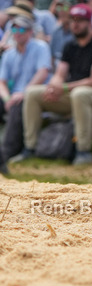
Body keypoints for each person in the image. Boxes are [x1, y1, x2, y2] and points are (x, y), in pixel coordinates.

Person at [12, 4, 92, 166]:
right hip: (75, 95)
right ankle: (30, 148)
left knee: (80, 93)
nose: (75, 24)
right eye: (73, 20)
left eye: (80, 20)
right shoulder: (70, 45)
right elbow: (59, 74)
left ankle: (83, 151)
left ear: (89, 23)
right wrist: (54, 87)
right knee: (33, 93)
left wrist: (64, 88)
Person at [0, 11, 52, 169]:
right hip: (13, 96)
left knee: (19, 103)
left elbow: (42, 73)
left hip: (36, 94)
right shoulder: (9, 53)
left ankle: (5, 153)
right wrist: (7, 98)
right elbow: (1, 82)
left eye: (21, 29)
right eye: (14, 30)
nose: (17, 33)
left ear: (30, 31)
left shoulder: (41, 47)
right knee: (12, 103)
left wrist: (22, 93)